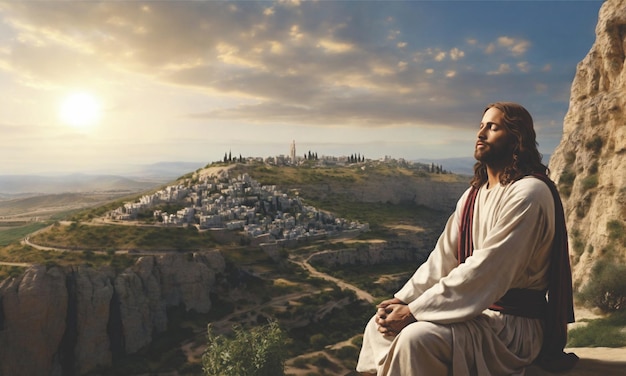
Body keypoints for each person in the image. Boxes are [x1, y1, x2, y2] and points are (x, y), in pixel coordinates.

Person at [356, 102, 578, 375]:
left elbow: (486, 270)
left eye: (493, 127)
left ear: (517, 139)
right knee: (377, 328)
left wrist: (414, 312)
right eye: (481, 126)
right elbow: (441, 260)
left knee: (416, 339)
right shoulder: (473, 195)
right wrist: (402, 301)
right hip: (474, 312)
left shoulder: (529, 193)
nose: (481, 133)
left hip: (512, 328)